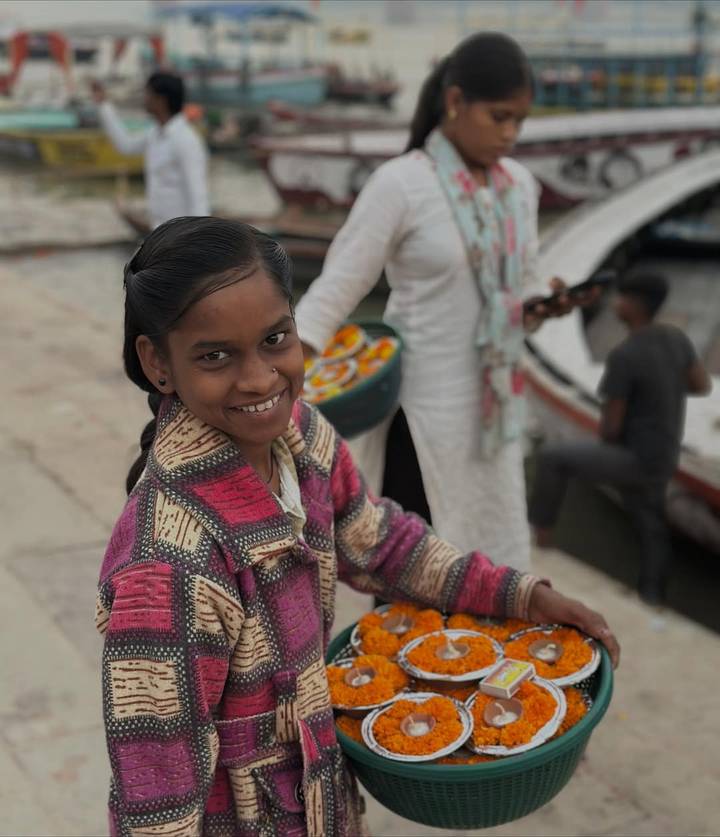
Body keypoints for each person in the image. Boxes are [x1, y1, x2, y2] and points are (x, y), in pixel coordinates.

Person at [96, 216, 620, 835]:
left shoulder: (306, 440)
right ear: (158, 362)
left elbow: (386, 547)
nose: (261, 379)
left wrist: (524, 595)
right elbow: (156, 802)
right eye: (215, 356)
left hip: (323, 804)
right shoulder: (168, 569)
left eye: (275, 338)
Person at [294, 33, 593, 573]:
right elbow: (337, 287)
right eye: (499, 117)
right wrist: (279, 372)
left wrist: (542, 302)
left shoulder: (519, 187)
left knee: (491, 555)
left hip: (493, 408)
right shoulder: (403, 184)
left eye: (519, 121)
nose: (510, 134)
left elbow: (519, 285)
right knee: (414, 569)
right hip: (423, 411)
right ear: (455, 102)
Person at [528, 272, 712, 605]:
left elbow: (610, 430)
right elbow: (701, 385)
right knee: (649, 520)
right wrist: (662, 389)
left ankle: (540, 541)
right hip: (665, 456)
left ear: (632, 304)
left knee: (553, 457)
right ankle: (652, 594)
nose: (614, 303)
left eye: (619, 298)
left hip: (634, 458)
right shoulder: (675, 338)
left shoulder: (625, 355)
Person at [91, 72, 209, 231]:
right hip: (160, 230)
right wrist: (103, 104)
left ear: (161, 100)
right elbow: (125, 145)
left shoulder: (186, 140)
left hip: (180, 234)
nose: (144, 99)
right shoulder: (155, 134)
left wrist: (199, 240)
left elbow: (197, 194)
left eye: (148, 94)